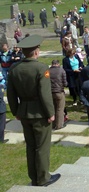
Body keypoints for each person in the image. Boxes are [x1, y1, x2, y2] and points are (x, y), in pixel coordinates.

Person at [7, 35, 61, 186]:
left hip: (24, 111)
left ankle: (34, 177)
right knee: (42, 147)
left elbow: (11, 94)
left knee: (30, 147)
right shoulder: (41, 68)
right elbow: (45, 94)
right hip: (40, 113)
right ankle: (43, 178)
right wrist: (50, 113)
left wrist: (16, 111)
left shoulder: (14, 69)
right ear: (36, 52)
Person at [49, 60, 67, 130]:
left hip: (50, 92)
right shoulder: (61, 70)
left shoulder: (47, 71)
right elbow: (65, 83)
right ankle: (59, 125)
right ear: (58, 64)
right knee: (60, 109)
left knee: (53, 108)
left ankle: (53, 124)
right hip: (59, 92)